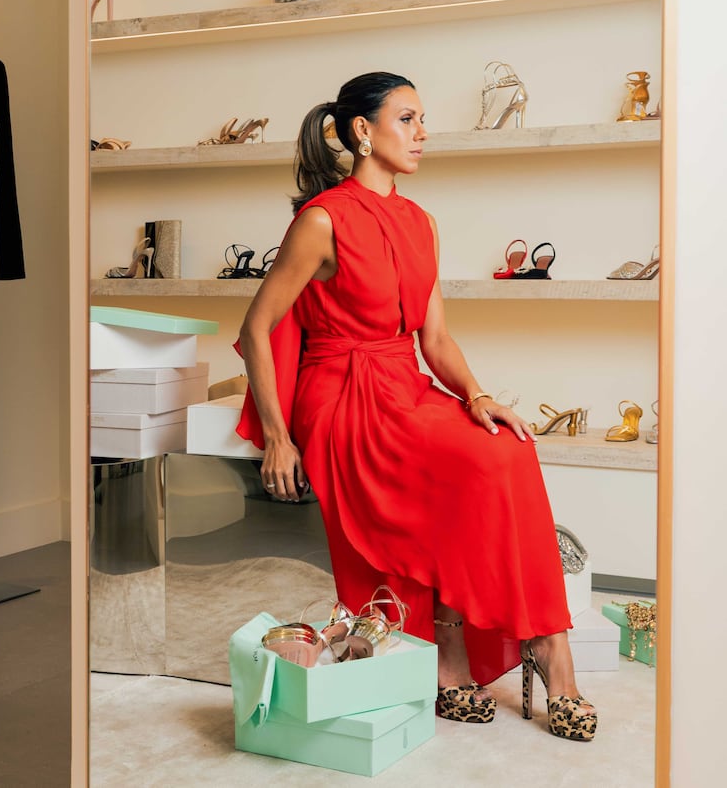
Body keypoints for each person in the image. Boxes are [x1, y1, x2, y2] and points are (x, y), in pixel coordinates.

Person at [235, 72, 597, 741]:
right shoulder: (321, 221)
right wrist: (281, 438)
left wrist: (480, 397)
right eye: (407, 119)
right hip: (342, 396)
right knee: (467, 475)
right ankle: (483, 658)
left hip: (404, 383)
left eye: (422, 119)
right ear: (361, 132)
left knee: (506, 449)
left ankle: (536, 644)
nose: (422, 132)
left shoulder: (420, 221)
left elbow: (434, 337)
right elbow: (258, 326)